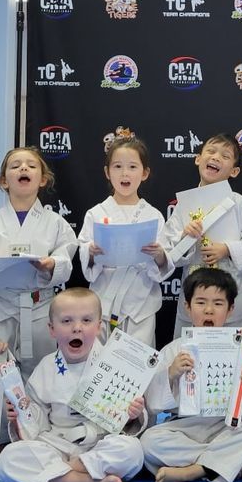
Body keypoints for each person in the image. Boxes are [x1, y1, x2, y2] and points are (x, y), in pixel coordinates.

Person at [0, 288, 146, 482]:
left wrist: (134, 413)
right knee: (8, 460)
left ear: (99, 326)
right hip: (56, 443)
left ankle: (61, 473)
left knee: (132, 450)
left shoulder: (116, 364)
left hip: (99, 443)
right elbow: (37, 422)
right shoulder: (46, 367)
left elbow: (129, 424)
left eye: (86, 320)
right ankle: (86, 481)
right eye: (66, 321)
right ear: (52, 329)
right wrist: (22, 411)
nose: (77, 328)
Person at [140, 269, 242, 482]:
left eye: (218, 304)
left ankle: (194, 469)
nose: (209, 310)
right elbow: (153, 405)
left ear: (230, 309)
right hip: (184, 428)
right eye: (201, 302)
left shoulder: (241, 347)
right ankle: (221, 463)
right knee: (148, 443)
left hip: (227, 425)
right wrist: (171, 373)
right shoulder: (174, 349)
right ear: (188, 307)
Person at [0, 147, 77, 380]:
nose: (23, 168)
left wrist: (51, 264)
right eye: (15, 166)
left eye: (31, 166)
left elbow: (66, 256)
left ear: (42, 179)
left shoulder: (55, 222)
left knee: (42, 373)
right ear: (4, 181)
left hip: (40, 308)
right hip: (0, 307)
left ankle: (39, 415)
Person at [164, 133, 242, 336]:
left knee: (228, 362)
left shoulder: (240, 203)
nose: (216, 157)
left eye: (225, 156)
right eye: (210, 151)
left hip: (229, 302)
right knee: (187, 360)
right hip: (194, 300)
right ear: (198, 158)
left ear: (234, 171)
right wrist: (185, 237)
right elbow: (168, 251)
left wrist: (227, 249)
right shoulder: (185, 204)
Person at [79, 137, 173, 348]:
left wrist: (159, 254)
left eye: (132, 167)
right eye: (118, 166)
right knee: (98, 364)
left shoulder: (153, 215)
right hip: (103, 302)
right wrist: (91, 252)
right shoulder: (96, 213)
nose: (125, 173)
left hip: (140, 304)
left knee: (136, 367)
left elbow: (164, 262)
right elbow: (85, 254)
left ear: (145, 173)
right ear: (107, 172)